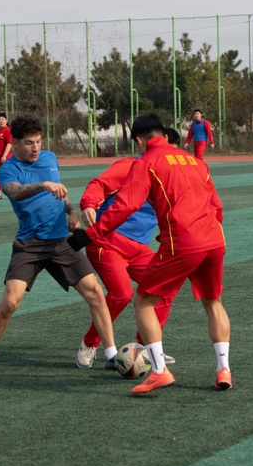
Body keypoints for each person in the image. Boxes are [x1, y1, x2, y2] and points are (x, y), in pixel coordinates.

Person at [69, 113, 231, 395]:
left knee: (143, 300)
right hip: (212, 240)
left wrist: (90, 235)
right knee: (212, 303)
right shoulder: (195, 162)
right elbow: (217, 206)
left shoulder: (147, 162)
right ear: (165, 137)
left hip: (179, 242)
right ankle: (223, 370)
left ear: (140, 141)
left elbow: (125, 205)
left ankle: (156, 368)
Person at [0, 114, 118, 376]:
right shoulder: (8, 169)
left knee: (96, 293)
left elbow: (60, 195)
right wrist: (43, 184)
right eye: (29, 143)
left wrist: (71, 210)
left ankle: (112, 355)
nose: (36, 147)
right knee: (10, 303)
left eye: (39, 141)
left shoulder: (50, 158)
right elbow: (16, 192)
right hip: (30, 245)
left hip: (61, 241)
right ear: (15, 142)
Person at [73, 127, 180, 370]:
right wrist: (89, 204)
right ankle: (89, 344)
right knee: (121, 295)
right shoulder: (131, 166)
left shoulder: (171, 175)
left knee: (165, 288)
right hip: (107, 243)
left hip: (139, 249)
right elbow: (98, 184)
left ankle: (143, 348)